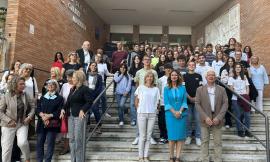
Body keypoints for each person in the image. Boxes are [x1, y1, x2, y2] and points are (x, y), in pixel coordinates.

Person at [0, 75, 35, 162]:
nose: (24, 86)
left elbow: (33, 107)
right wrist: (9, 121)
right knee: (6, 148)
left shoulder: (25, 95)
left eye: (24, 84)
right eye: (21, 84)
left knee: (22, 143)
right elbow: (0, 111)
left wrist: (29, 117)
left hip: (22, 123)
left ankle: (27, 159)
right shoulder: (6, 96)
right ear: (15, 85)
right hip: (8, 125)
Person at [195, 69, 228, 162]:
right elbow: (197, 104)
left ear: (215, 77)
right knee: (204, 141)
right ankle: (204, 158)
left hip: (217, 119)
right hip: (205, 119)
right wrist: (205, 117)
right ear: (206, 77)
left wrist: (219, 117)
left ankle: (218, 159)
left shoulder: (222, 89)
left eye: (213, 75)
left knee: (217, 142)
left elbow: (225, 104)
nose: (211, 76)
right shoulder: (199, 89)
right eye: (209, 75)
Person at [62, 70, 94, 162]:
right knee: (71, 139)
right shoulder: (73, 88)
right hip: (70, 116)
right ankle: (73, 159)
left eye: (73, 77)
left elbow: (89, 102)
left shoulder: (85, 89)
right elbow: (68, 102)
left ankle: (79, 160)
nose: (72, 79)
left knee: (78, 139)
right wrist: (63, 109)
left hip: (79, 117)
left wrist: (83, 110)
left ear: (79, 78)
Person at [132, 55, 158, 145]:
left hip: (150, 97)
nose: (147, 61)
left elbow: (155, 84)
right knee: (139, 117)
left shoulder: (154, 72)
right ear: (142, 61)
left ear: (150, 61)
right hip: (141, 97)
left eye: (148, 60)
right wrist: (137, 97)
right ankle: (138, 136)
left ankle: (150, 137)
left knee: (151, 118)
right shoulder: (139, 72)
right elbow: (137, 84)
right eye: (145, 59)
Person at [135, 72, 160, 162]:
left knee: (149, 136)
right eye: (148, 77)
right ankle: (140, 156)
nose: (149, 78)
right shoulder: (140, 88)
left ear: (153, 79)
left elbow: (157, 102)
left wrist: (155, 110)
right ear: (145, 78)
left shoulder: (156, 89)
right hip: (142, 113)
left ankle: (146, 156)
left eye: (151, 77)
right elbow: (136, 100)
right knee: (142, 136)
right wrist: (139, 109)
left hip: (152, 114)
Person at [36, 80, 64, 162]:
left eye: (52, 84)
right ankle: (39, 160)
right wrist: (42, 115)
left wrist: (49, 116)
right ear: (46, 86)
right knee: (39, 143)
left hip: (52, 124)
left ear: (56, 86)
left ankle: (48, 160)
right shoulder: (43, 96)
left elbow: (59, 111)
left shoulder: (59, 98)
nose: (50, 86)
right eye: (48, 84)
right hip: (42, 122)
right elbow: (38, 108)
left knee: (50, 144)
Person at [164, 70, 188, 162]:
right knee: (172, 137)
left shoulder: (183, 88)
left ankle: (177, 157)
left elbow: (184, 102)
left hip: (182, 115)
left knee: (180, 137)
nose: (174, 76)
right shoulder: (166, 88)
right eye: (172, 75)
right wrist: (174, 112)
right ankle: (171, 156)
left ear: (178, 77)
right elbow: (167, 102)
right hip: (170, 115)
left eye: (176, 75)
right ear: (170, 77)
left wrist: (180, 112)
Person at [228, 63, 251, 137]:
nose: (238, 68)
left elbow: (247, 87)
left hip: (245, 98)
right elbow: (231, 88)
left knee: (247, 115)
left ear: (241, 69)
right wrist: (238, 95)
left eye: (239, 67)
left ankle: (247, 130)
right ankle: (240, 130)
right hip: (236, 98)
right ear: (234, 69)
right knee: (238, 115)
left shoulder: (244, 76)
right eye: (236, 67)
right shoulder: (231, 78)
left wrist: (246, 95)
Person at [183, 61, 202, 146]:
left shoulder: (199, 76)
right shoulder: (184, 76)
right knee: (189, 119)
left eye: (193, 65)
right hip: (187, 101)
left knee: (198, 119)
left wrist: (196, 98)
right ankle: (188, 136)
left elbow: (201, 88)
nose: (191, 66)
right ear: (187, 66)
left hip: (197, 101)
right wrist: (189, 97)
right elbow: (183, 89)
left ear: (195, 66)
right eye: (190, 65)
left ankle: (198, 137)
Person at [59, 70, 75, 155]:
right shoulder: (64, 85)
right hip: (65, 111)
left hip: (74, 111)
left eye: (70, 77)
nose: (68, 79)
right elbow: (61, 98)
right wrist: (62, 109)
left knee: (72, 131)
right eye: (67, 77)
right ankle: (66, 148)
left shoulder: (77, 86)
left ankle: (72, 148)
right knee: (65, 132)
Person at [157, 63, 173, 145]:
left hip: (173, 105)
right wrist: (158, 103)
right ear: (164, 69)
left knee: (171, 121)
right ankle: (163, 136)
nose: (168, 70)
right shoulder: (160, 79)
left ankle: (170, 136)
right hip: (163, 103)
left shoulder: (175, 78)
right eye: (167, 68)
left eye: (170, 68)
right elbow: (158, 92)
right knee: (161, 121)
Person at [95, 53, 114, 118]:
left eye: (100, 57)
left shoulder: (104, 65)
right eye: (97, 56)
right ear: (95, 57)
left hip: (101, 83)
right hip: (93, 84)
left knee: (103, 98)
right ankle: (94, 112)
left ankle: (104, 112)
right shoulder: (92, 64)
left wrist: (114, 74)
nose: (98, 58)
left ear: (101, 58)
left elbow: (107, 73)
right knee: (95, 98)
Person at [86, 62, 103, 132]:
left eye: (95, 66)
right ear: (89, 66)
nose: (94, 67)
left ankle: (99, 126)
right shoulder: (86, 75)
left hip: (95, 95)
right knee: (87, 111)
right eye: (92, 65)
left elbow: (99, 87)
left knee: (95, 110)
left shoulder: (99, 76)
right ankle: (88, 125)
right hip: (86, 95)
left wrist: (94, 94)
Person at [219, 57, 235, 128]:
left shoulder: (237, 69)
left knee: (236, 106)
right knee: (228, 106)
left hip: (236, 90)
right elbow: (223, 81)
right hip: (228, 90)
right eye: (229, 61)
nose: (230, 62)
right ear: (227, 62)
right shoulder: (224, 70)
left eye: (232, 61)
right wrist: (229, 76)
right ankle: (228, 122)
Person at [128, 55, 143, 126]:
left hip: (141, 88)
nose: (137, 60)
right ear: (133, 60)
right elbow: (130, 78)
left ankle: (140, 119)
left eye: (138, 58)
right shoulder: (131, 69)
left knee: (141, 104)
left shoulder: (142, 68)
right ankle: (134, 119)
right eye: (135, 59)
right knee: (132, 104)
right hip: (133, 87)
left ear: (140, 60)